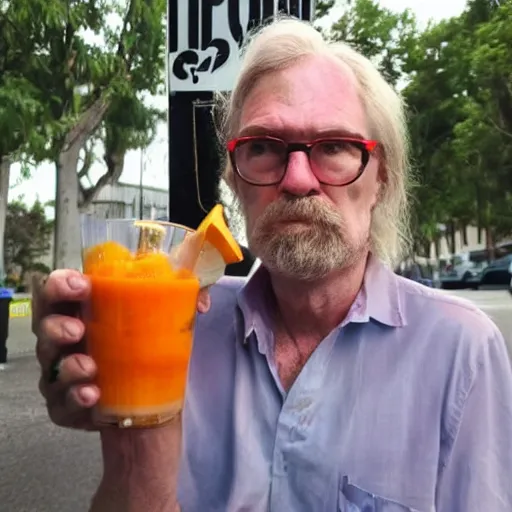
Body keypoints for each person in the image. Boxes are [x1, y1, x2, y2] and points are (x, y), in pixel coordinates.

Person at [33, 17, 512, 512]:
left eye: (334, 147)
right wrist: (122, 428)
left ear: (381, 179)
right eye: (262, 147)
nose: (298, 179)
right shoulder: (176, 323)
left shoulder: (460, 351)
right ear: (235, 180)